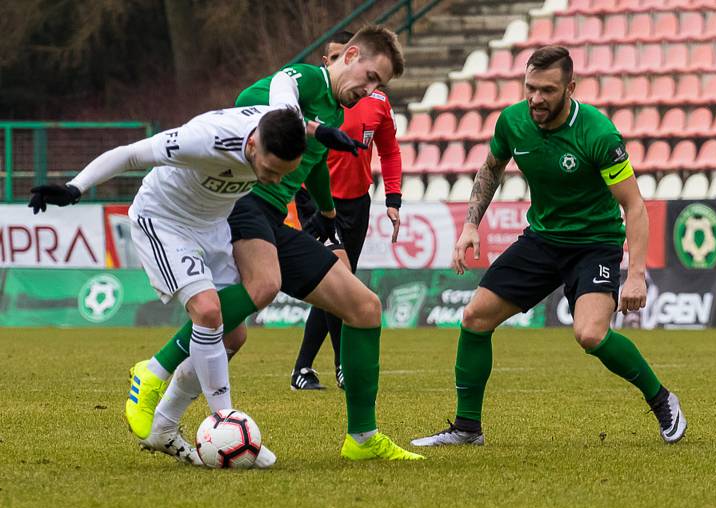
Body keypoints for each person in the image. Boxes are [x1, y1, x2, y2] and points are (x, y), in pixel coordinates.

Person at [127, 25, 424, 461]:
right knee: (262, 287)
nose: (372, 89)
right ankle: (154, 370)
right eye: (372, 77)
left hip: (273, 217)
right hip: (243, 201)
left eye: (381, 85)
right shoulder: (302, 80)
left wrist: (327, 215)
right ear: (352, 55)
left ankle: (362, 439)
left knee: (364, 309)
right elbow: (248, 100)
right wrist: (305, 123)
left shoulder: (339, 113)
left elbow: (316, 163)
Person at [411, 46, 687, 448]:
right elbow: (491, 168)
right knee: (474, 318)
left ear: (570, 88)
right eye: (530, 88)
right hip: (542, 239)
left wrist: (637, 275)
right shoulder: (513, 121)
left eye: (547, 90)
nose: (536, 98)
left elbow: (634, 205)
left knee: (590, 335)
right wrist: (471, 224)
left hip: (594, 243)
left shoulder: (598, 133)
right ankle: (467, 429)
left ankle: (662, 399)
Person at [28, 105, 309, 467]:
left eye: (284, 173)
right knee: (208, 311)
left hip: (213, 226)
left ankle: (163, 425)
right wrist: (75, 187)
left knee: (233, 337)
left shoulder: (283, 127)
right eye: (269, 171)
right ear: (252, 143)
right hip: (164, 221)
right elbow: (130, 154)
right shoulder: (205, 140)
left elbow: (289, 96)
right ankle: (227, 424)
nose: (273, 180)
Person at [290, 30, 403, 391]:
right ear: (332, 61)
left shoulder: (377, 103)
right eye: (333, 57)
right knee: (338, 280)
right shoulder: (313, 99)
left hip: (357, 203)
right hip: (317, 201)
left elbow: (390, 151)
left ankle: (303, 369)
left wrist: (394, 199)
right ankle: (341, 366)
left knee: (340, 283)